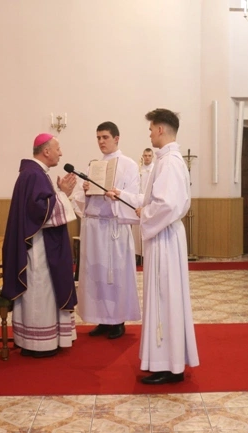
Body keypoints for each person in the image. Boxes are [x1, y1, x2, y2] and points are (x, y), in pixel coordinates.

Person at [108, 108, 199, 385]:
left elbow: (166, 205)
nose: (149, 134)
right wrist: (122, 196)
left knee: (163, 298)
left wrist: (144, 214)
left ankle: (169, 366)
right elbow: (152, 200)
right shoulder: (166, 160)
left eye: (151, 129)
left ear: (160, 129)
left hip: (164, 238)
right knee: (164, 297)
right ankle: (167, 362)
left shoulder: (169, 162)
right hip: (164, 235)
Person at [2, 133, 78, 358]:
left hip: (42, 244)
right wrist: (63, 194)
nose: (60, 153)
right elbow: (39, 212)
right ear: (46, 151)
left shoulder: (34, 173)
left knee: (42, 291)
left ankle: (35, 340)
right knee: (39, 290)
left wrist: (59, 194)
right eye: (57, 149)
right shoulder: (34, 174)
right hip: (38, 248)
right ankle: (38, 343)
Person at [71, 122, 140, 340]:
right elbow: (80, 200)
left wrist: (118, 195)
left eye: (105, 137)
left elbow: (135, 197)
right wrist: (85, 191)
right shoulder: (94, 166)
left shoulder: (129, 165)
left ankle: (118, 320)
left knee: (116, 274)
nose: (101, 141)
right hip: (94, 228)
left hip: (114, 227)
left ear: (116, 138)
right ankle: (101, 318)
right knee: (95, 275)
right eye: (98, 138)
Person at [133, 148, 155, 264]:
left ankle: (147, 255)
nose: (147, 158)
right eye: (145, 155)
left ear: (152, 157)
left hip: (150, 202)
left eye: (149, 155)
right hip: (139, 202)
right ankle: (137, 253)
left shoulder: (155, 169)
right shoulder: (138, 169)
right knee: (137, 230)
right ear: (143, 156)